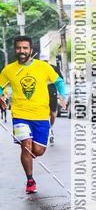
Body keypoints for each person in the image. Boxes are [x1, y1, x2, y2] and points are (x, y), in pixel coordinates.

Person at [0, 36, 66, 194]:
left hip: (41, 115)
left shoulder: (43, 67)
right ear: (15, 49)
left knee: (38, 151)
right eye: (18, 48)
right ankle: (30, 180)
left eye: (25, 48)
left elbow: (58, 81)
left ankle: (30, 156)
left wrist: (63, 95)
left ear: (31, 50)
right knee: (27, 145)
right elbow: (0, 86)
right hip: (20, 115)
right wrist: (1, 96)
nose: (21, 51)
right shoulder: (8, 70)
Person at [47, 62, 63, 146]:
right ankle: (48, 133)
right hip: (40, 94)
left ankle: (50, 128)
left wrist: (62, 95)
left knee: (52, 114)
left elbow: (60, 80)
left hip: (52, 93)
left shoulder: (54, 68)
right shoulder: (36, 67)